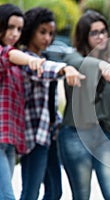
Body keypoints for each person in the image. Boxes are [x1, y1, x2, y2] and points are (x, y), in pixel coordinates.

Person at [18, 7, 85, 200]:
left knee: (55, 191)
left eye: (50, 33)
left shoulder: (44, 58)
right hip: (33, 135)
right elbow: (42, 71)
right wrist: (66, 69)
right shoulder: (25, 59)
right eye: (42, 32)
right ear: (30, 30)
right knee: (31, 192)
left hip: (49, 133)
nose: (47, 38)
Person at [56, 10, 110, 200]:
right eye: (94, 32)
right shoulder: (73, 59)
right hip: (76, 135)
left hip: (105, 136)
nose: (101, 36)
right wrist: (101, 66)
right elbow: (77, 63)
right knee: (81, 196)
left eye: (103, 31)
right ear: (84, 36)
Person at [0, 4, 46, 199]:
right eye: (10, 27)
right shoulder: (10, 55)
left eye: (19, 29)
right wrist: (29, 60)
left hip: (10, 142)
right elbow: (7, 54)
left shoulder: (18, 66)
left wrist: (63, 70)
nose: (15, 33)